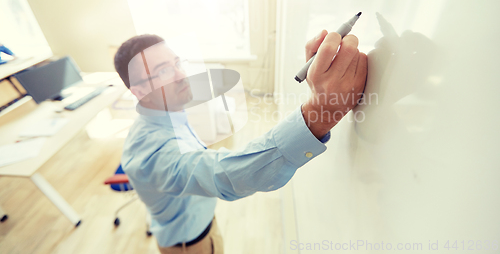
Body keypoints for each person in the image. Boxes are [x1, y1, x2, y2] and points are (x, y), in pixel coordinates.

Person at [113, 31, 367, 254]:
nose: (182, 76)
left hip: (201, 219)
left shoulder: (164, 110)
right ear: (138, 92)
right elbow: (225, 175)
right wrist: (319, 112)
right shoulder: (152, 155)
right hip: (189, 244)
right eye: (164, 71)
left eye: (177, 63)